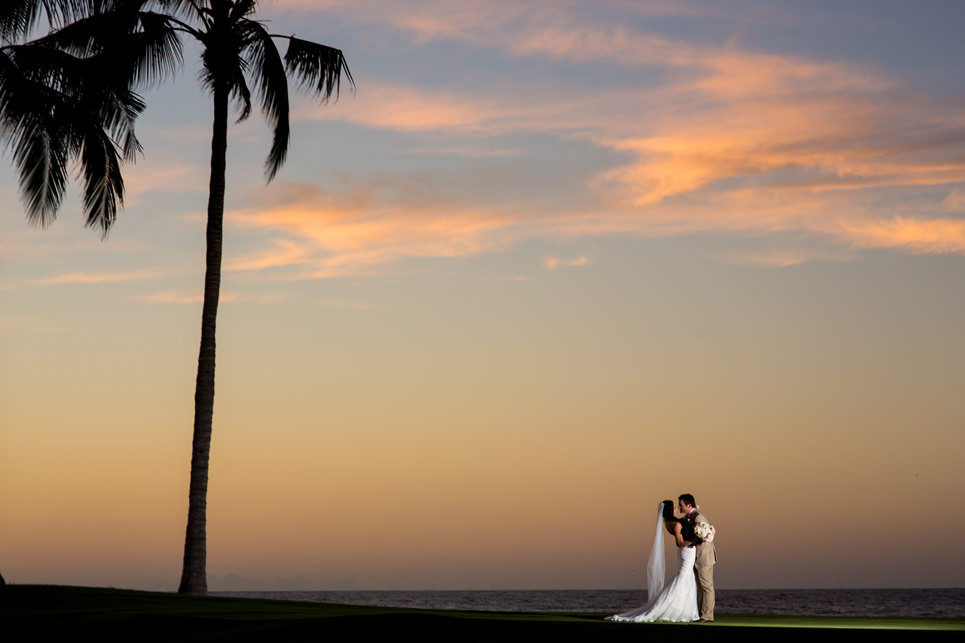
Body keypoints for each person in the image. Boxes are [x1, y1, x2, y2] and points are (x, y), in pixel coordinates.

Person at [607, 500, 699, 623]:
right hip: (686, 552)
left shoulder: (669, 522)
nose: (676, 508)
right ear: (670, 509)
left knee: (685, 578)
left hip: (687, 553)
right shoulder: (676, 524)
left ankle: (683, 609)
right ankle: (669, 608)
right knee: (682, 578)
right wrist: (695, 539)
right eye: (674, 506)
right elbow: (680, 543)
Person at [678, 493, 717, 622]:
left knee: (706, 586)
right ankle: (701, 614)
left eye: (681, 505)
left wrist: (688, 542)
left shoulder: (699, 517)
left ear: (689, 505)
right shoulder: (690, 517)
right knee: (700, 586)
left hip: (704, 556)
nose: (680, 507)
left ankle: (707, 616)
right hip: (697, 556)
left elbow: (706, 534)